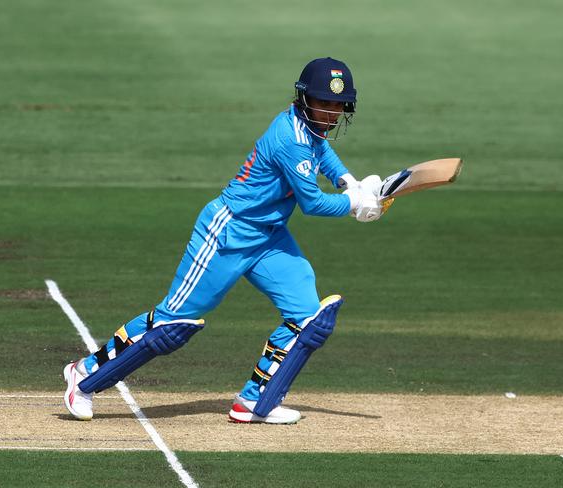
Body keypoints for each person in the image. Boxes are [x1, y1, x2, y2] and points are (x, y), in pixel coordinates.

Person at [63, 57, 383, 424]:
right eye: (323, 103)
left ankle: (254, 401)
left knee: (308, 317)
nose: (330, 113)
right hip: (228, 233)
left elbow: (320, 149)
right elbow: (311, 203)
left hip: (269, 237)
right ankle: (84, 374)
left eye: (337, 106)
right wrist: (355, 203)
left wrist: (348, 181)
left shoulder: (307, 129)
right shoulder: (287, 139)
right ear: (304, 99)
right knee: (173, 325)